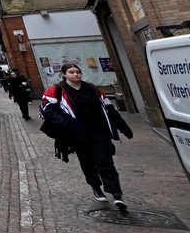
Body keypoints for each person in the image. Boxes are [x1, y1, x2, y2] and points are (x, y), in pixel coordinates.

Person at [40, 63, 133, 210]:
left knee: (105, 162)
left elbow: (108, 108)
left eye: (78, 72)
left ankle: (116, 193)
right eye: (72, 72)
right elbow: (46, 108)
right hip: (77, 134)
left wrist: (124, 128)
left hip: (99, 131)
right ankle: (95, 186)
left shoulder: (92, 89)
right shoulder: (57, 89)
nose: (76, 74)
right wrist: (65, 123)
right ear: (64, 74)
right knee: (87, 162)